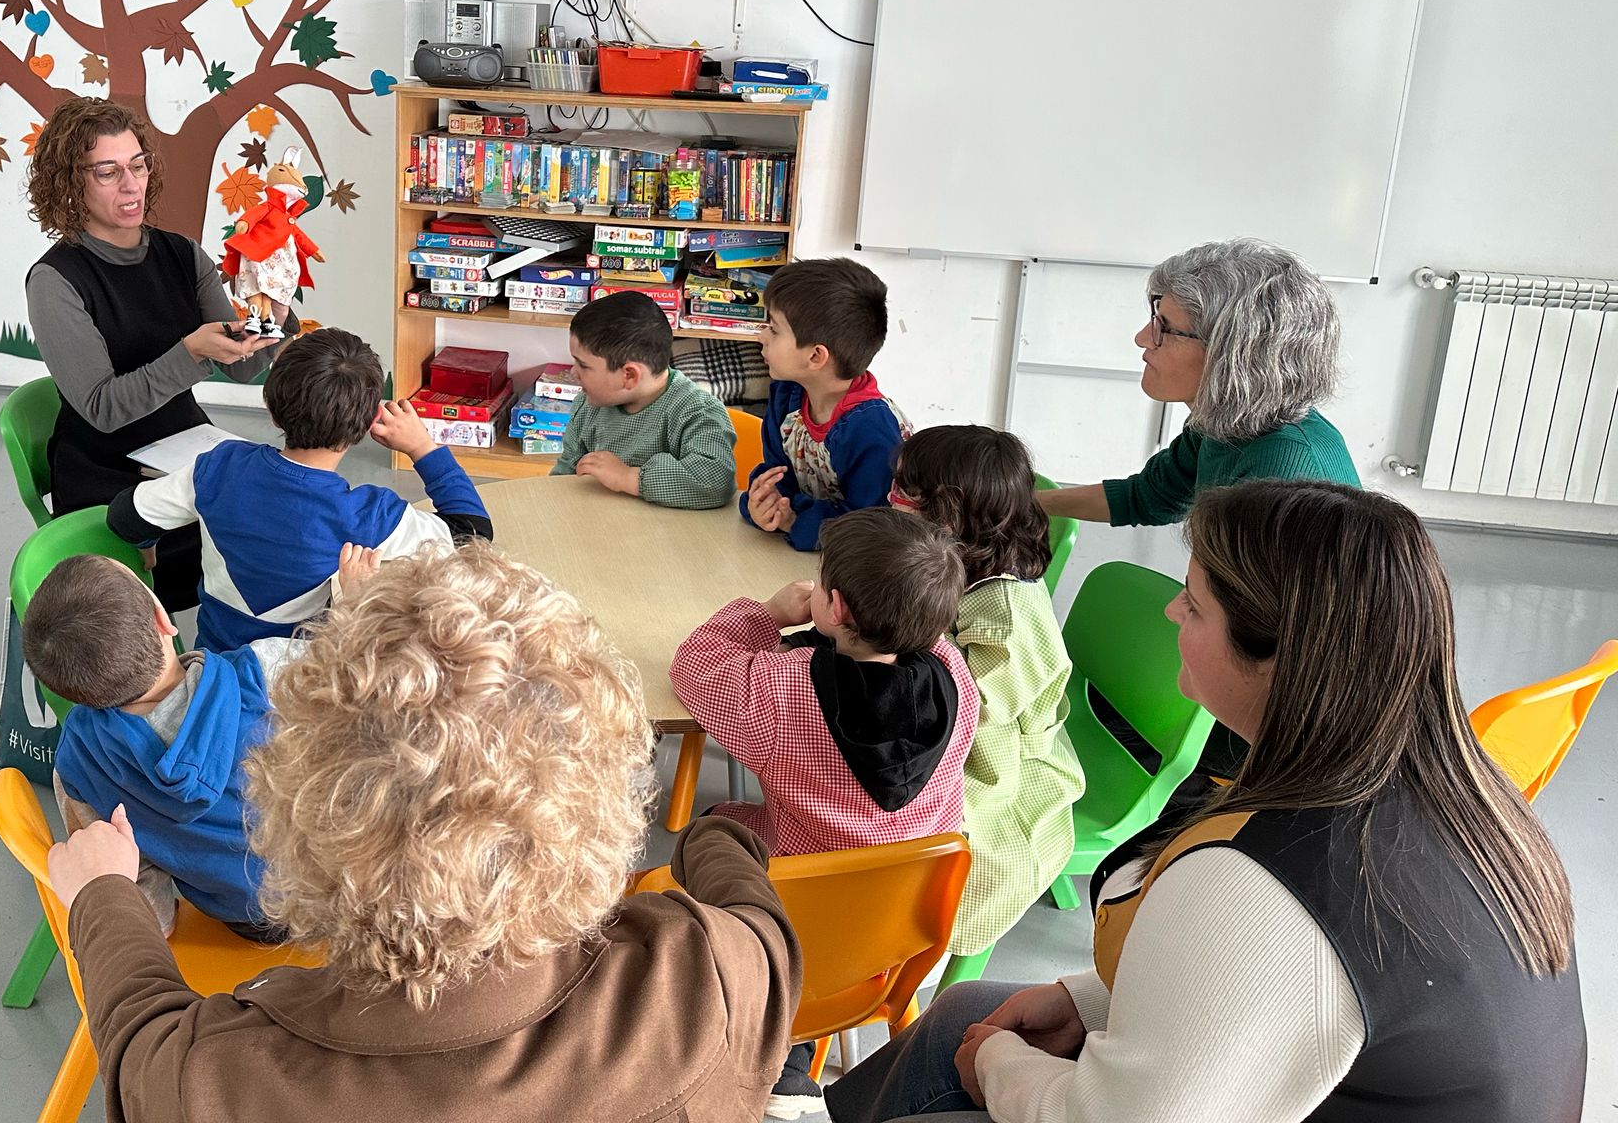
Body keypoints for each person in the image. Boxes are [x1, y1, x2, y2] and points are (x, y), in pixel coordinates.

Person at [825, 480, 1587, 1123]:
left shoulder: (1261, 880)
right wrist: (1086, 1002)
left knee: (975, 1048)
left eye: (1192, 605)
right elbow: (1282, 999)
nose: (1170, 616)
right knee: (968, 1011)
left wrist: (997, 1066)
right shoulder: (1461, 796)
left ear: (1275, 656)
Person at [44, 542, 804, 1123]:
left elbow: (137, 1039)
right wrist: (718, 839)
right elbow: (766, 936)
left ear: (291, 819)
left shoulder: (217, 1080)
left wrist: (107, 896)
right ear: (599, 813)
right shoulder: (710, 980)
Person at [673, 506, 979, 1117]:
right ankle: (796, 1045)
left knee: (711, 828)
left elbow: (695, 670)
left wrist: (765, 616)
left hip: (796, 915)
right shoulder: (956, 678)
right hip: (897, 927)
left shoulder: (784, 690)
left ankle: (776, 1041)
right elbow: (908, 642)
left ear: (836, 608)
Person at [24, 97, 288, 609]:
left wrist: (273, 312)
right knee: (253, 539)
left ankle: (238, 656)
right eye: (107, 171)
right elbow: (101, 409)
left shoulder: (182, 253)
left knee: (274, 517)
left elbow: (246, 365)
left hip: (183, 444)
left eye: (137, 165)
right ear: (69, 182)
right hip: (105, 468)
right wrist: (190, 351)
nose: (131, 184)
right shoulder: (56, 281)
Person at [108, 328, 490, 658]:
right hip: (301, 689)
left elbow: (125, 515)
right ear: (363, 429)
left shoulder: (218, 467)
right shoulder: (370, 516)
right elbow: (472, 536)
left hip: (213, 668)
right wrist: (422, 447)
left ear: (271, 411)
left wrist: (147, 543)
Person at [891, 427, 1083, 964]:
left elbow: (966, 715)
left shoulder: (1006, 616)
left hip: (999, 764)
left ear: (948, 517)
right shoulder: (965, 566)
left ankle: (907, 951)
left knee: (890, 814)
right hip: (969, 727)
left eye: (905, 491)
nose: (891, 498)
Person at [24, 555, 281, 940]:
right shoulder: (265, 673)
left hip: (251, 919)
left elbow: (129, 869)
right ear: (164, 618)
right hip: (354, 893)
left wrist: (162, 921)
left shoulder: (76, 765)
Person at [1035, 239, 1357, 528]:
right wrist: (1025, 505)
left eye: (1166, 328)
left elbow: (1235, 594)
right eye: (1154, 320)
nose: (1142, 338)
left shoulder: (1286, 471)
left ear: (1233, 356)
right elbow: (1149, 497)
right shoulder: (1224, 421)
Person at [742, 258, 912, 550]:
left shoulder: (871, 429)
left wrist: (796, 521)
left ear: (816, 357)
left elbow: (871, 529)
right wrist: (763, 503)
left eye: (774, 328)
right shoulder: (786, 395)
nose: (761, 336)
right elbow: (776, 474)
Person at [550, 289, 739, 507]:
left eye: (583, 365)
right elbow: (564, 476)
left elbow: (715, 482)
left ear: (629, 375)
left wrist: (629, 478)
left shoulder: (698, 412)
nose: (573, 372)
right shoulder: (587, 405)